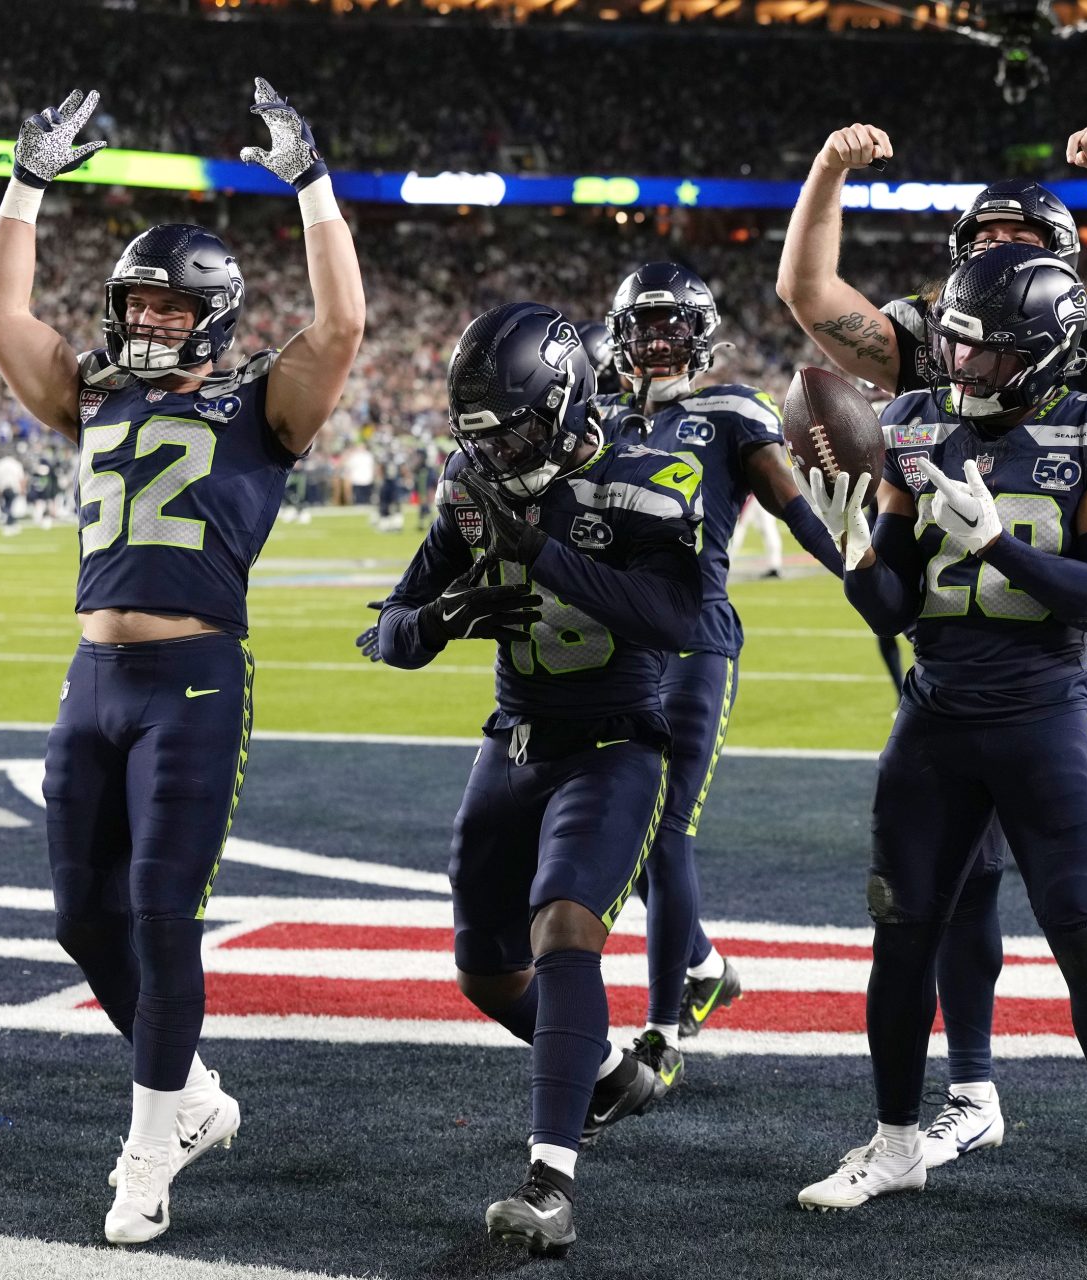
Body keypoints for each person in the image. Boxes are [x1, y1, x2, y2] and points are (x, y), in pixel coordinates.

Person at [777, 121, 1087, 1180]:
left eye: (1015, 240)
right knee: (959, 883)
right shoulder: (929, 350)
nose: (992, 258)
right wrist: (829, 169)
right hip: (952, 660)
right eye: (977, 240)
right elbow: (808, 295)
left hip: (1066, 657)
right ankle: (971, 1093)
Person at [0, 80, 364, 1243]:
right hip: (90, 680)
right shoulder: (88, 391)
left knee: (158, 913)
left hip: (193, 681)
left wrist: (313, 185)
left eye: (162, 306)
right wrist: (26, 184)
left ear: (214, 316)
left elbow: (340, 329)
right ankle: (189, 1096)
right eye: (131, 301)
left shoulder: (262, 406)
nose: (142, 321)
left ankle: (147, 1151)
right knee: (80, 921)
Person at [792, 244, 1087, 1246]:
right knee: (901, 928)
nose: (959, 365)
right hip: (935, 716)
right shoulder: (916, 421)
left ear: (1044, 354)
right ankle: (896, 1139)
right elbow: (890, 603)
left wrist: (1000, 543)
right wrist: (852, 544)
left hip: (1046, 715)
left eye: (985, 351)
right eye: (955, 344)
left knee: (1086, 935)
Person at [376, 303, 704, 1258]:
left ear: (566, 400)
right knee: (485, 970)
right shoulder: (469, 484)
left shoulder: (652, 479)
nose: (497, 449)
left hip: (618, 740)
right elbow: (390, 630)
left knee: (566, 929)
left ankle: (552, 1182)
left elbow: (679, 619)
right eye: (480, 433)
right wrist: (443, 619)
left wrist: (544, 553)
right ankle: (605, 1071)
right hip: (514, 738)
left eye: (514, 426)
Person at [594, 262, 845, 1071]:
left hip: (694, 641)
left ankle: (665, 1031)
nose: (657, 338)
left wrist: (855, 564)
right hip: (609, 650)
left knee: (664, 836)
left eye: (673, 325)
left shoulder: (730, 409)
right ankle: (703, 965)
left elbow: (791, 504)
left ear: (701, 334)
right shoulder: (596, 418)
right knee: (616, 838)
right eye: (644, 324)